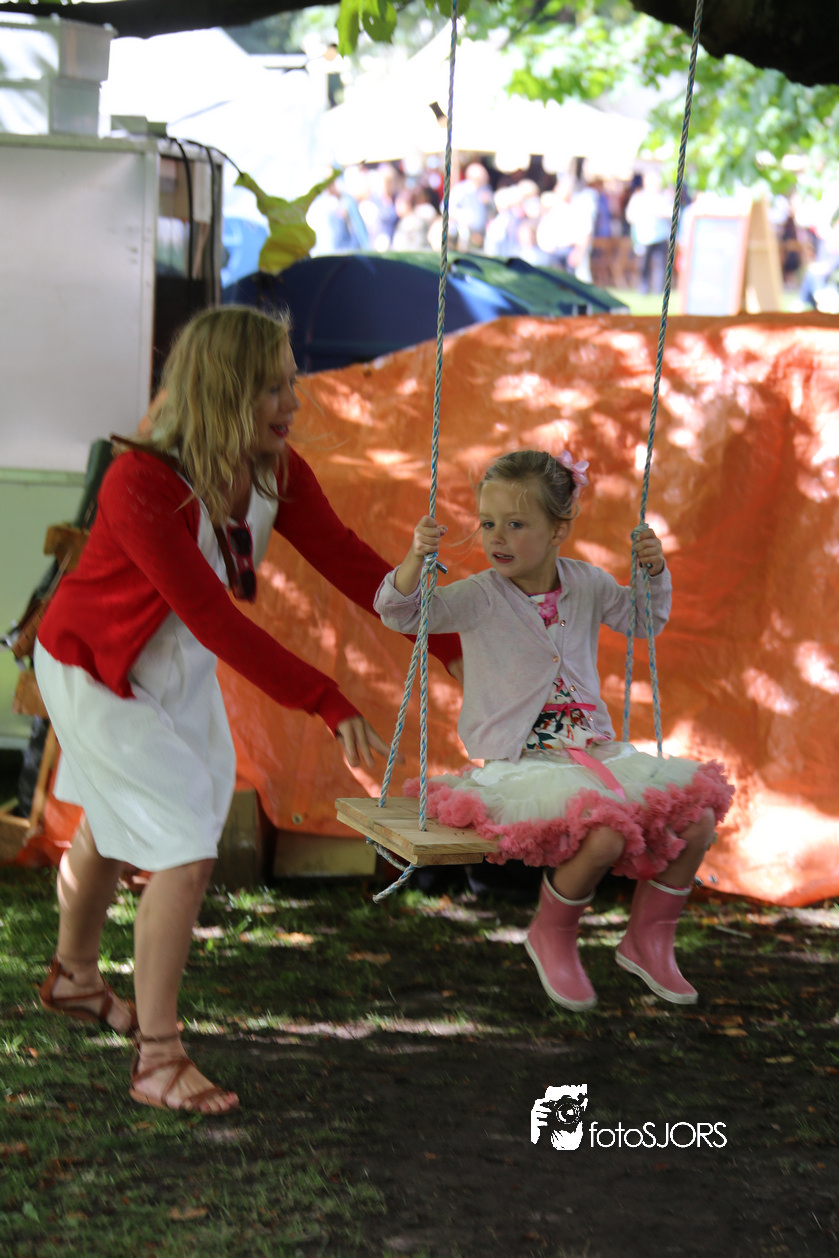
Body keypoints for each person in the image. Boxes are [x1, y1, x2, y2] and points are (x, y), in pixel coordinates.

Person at [33, 305, 461, 1114]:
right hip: (96, 670)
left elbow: (352, 565)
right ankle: (158, 1059)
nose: (292, 402)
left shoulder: (274, 471)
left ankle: (75, 977)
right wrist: (325, 700)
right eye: (273, 387)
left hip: (174, 669)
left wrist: (453, 647)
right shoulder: (139, 481)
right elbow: (213, 618)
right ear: (222, 390)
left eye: (291, 382)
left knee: (130, 815)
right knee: (184, 847)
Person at [375, 449, 734, 1012]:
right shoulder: (480, 596)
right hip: (525, 767)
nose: (497, 537)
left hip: (595, 752)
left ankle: (649, 939)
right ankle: (552, 933)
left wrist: (654, 572)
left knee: (699, 820)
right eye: (488, 523)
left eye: (516, 524)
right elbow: (401, 613)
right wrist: (415, 560)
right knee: (605, 835)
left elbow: (643, 620)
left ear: (558, 530)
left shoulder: (586, 583)